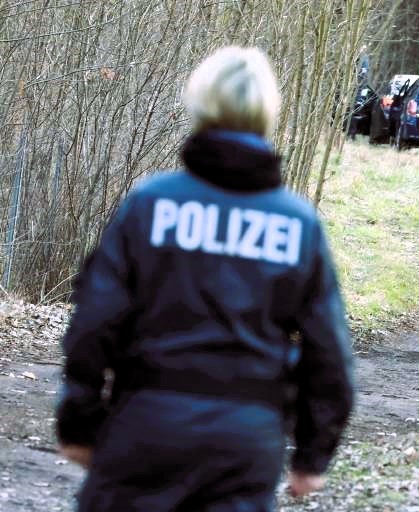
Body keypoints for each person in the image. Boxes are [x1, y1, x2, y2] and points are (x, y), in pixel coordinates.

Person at [55, 46, 355, 511]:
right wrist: (313, 456)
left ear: (200, 105)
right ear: (268, 114)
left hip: (147, 425)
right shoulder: (298, 226)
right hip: (245, 442)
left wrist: (78, 422)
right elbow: (329, 352)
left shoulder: (151, 205)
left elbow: (94, 320)